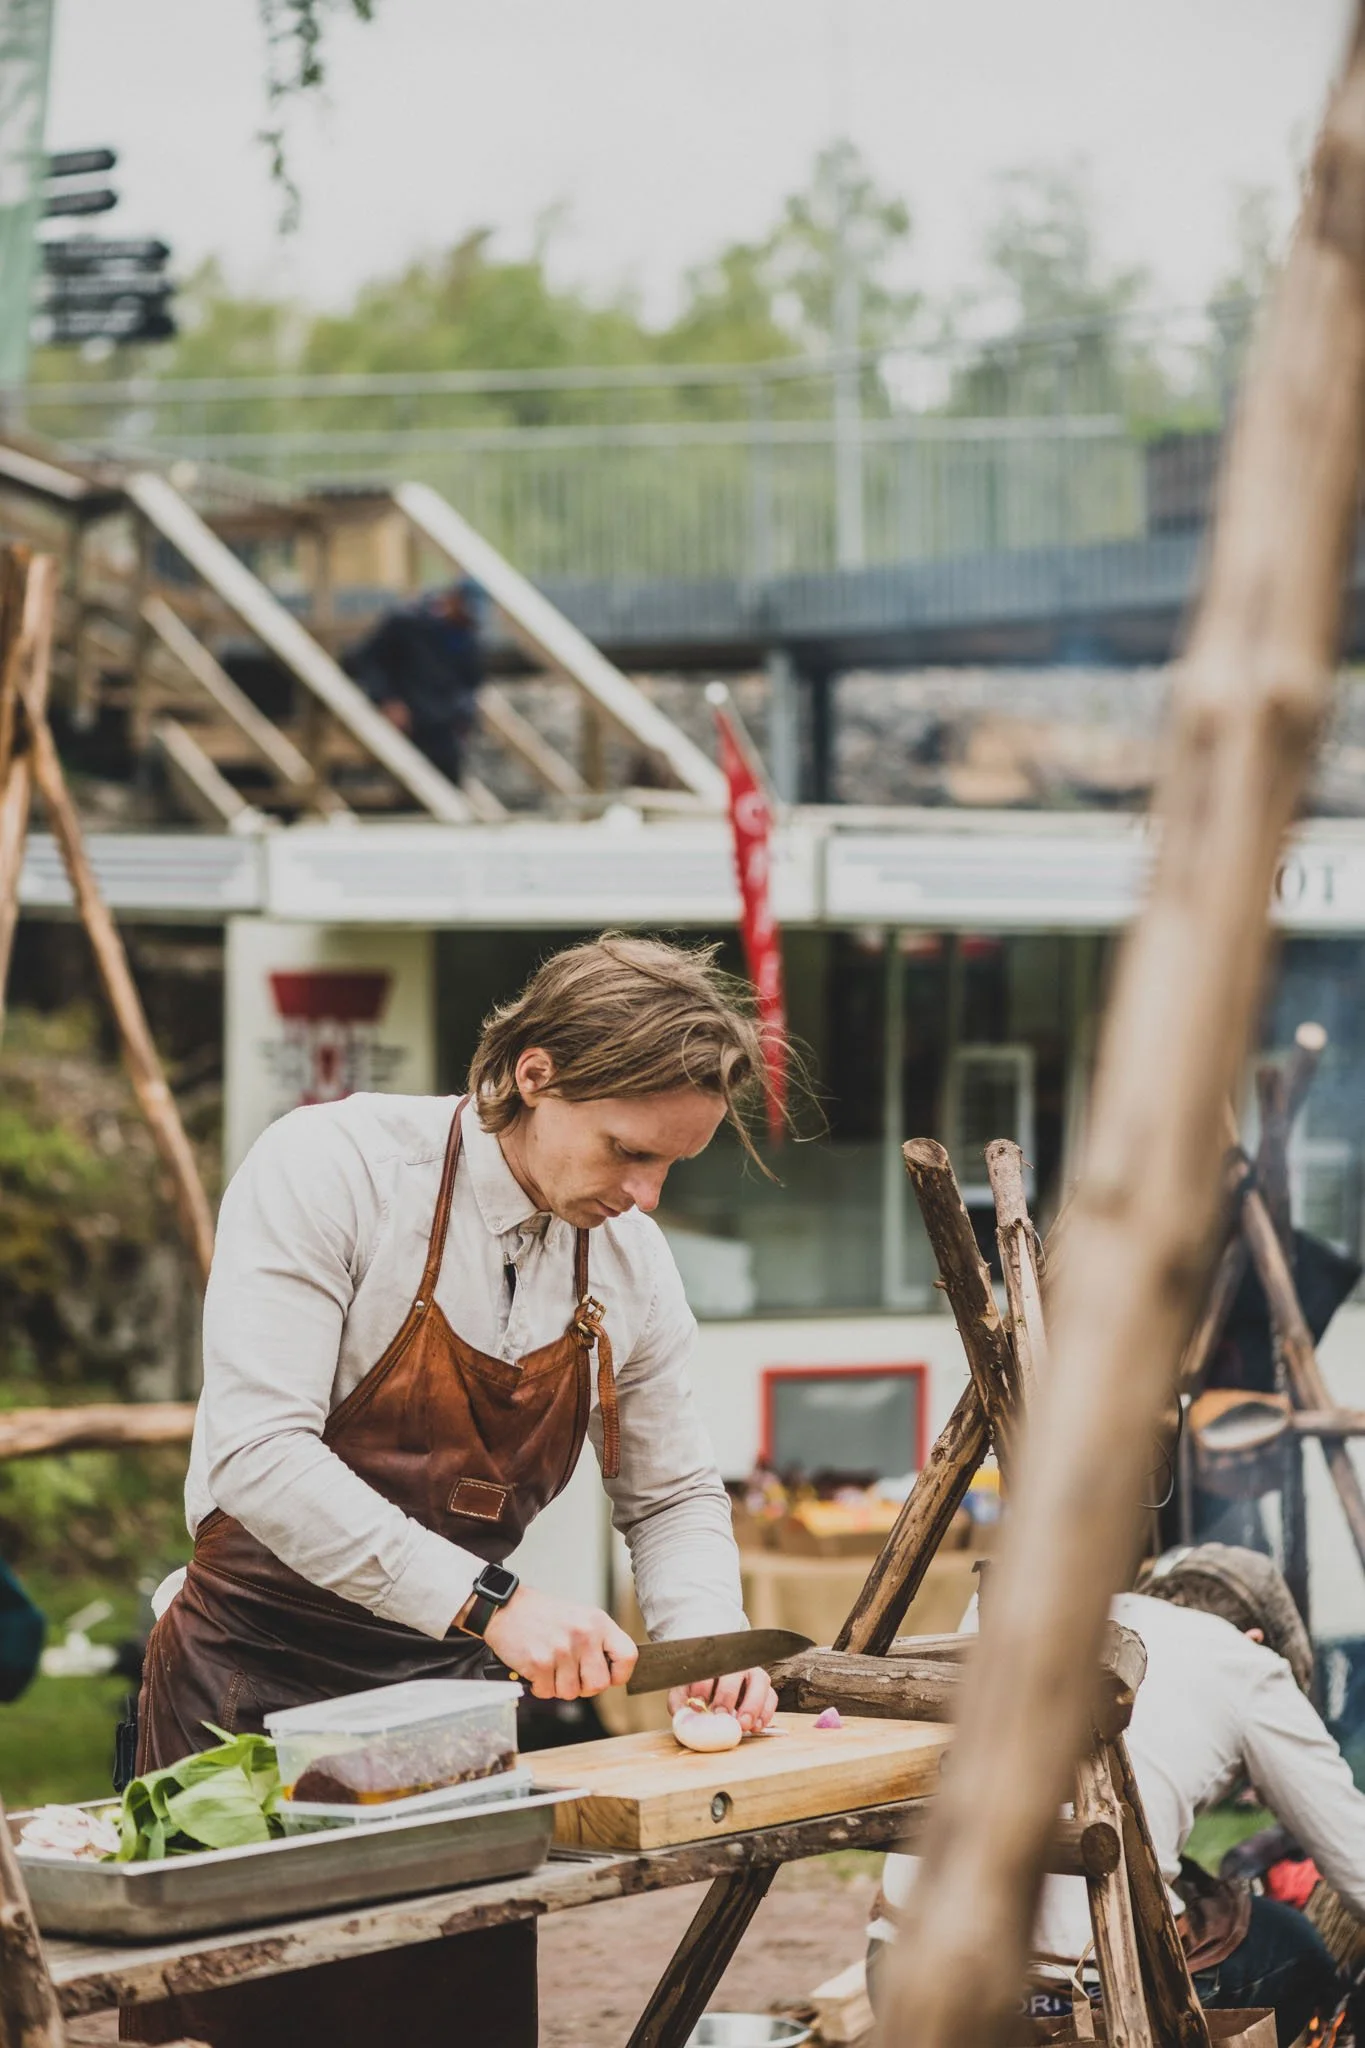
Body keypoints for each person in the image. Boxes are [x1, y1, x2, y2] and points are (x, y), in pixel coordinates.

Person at [136, 936, 780, 1772]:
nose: (646, 1197)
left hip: (449, 1702)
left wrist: (705, 1637)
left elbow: (669, 1496)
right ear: (535, 1075)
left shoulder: (632, 1262)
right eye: (628, 1151)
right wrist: (492, 1604)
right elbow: (259, 1456)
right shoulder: (336, 1168)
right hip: (242, 1686)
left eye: (672, 1165)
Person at [871, 1545, 1365, 2047]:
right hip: (1079, 2009)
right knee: (1295, 1949)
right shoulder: (1247, 1663)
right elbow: (1359, 1868)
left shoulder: (1042, 1607)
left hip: (897, 1973)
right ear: (1256, 1637)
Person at [343, 580, 483, 785]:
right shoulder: (406, 624)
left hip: (444, 731)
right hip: (407, 724)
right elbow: (365, 661)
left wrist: (464, 716)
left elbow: (471, 684)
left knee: (447, 783)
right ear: (453, 599)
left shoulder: (466, 639)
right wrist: (386, 699)